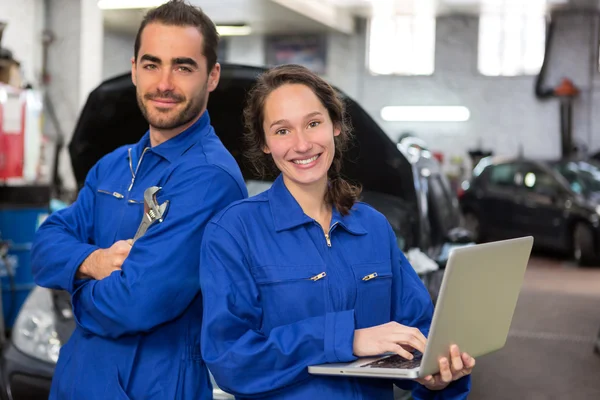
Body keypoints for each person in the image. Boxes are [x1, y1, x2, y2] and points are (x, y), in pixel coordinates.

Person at [199, 64, 474, 399]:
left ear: (336, 127)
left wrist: (437, 375)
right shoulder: (234, 231)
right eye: (282, 130)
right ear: (265, 143)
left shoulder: (372, 227)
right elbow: (230, 360)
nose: (301, 144)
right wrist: (348, 339)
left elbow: (418, 330)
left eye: (313, 123)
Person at [31, 1, 247, 399]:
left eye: (183, 67)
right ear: (134, 69)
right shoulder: (114, 165)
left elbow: (136, 302)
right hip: (76, 381)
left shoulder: (209, 178)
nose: (164, 82)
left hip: (150, 386)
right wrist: (92, 261)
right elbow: (43, 247)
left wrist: (72, 286)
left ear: (211, 76)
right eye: (152, 64)